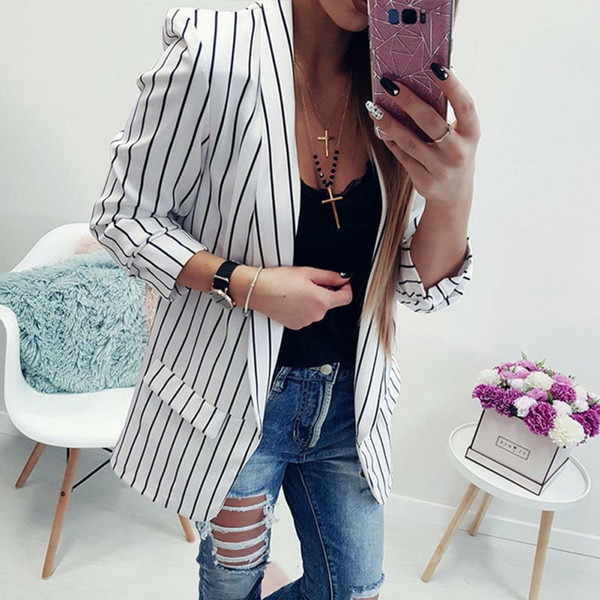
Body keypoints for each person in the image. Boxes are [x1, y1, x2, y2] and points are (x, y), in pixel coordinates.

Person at [89, 0, 478, 598]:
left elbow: (417, 289)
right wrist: (248, 284)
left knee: (354, 591)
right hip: (233, 403)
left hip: (349, 403)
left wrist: (455, 196)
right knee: (233, 580)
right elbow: (123, 219)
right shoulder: (215, 53)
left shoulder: (397, 86)